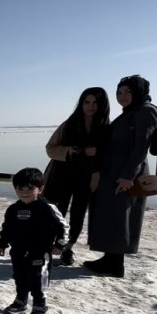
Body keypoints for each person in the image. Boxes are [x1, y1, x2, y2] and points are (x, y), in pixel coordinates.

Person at [84, 75, 157, 278]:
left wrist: (128, 176)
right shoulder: (130, 112)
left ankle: (115, 264)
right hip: (115, 172)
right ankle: (109, 258)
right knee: (113, 215)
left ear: (138, 92)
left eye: (128, 91)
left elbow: (140, 148)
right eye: (119, 92)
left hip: (127, 175)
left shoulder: (145, 111)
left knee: (121, 217)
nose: (122, 96)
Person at [42, 87, 111, 265]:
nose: (90, 106)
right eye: (86, 102)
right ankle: (50, 246)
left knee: (78, 215)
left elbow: (112, 154)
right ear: (81, 103)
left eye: (95, 102)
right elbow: (50, 148)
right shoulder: (69, 124)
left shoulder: (105, 128)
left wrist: (98, 152)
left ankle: (68, 248)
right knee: (57, 213)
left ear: (102, 105)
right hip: (62, 176)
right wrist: (73, 151)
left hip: (87, 178)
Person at [0, 167, 69, 314]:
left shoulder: (46, 208)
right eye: (20, 188)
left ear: (40, 189)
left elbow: (62, 227)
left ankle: (39, 308)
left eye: (30, 188)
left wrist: (60, 244)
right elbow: (7, 227)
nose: (24, 192)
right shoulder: (13, 209)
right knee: (20, 277)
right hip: (18, 252)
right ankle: (21, 301)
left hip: (40, 253)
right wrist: (2, 243)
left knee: (38, 280)